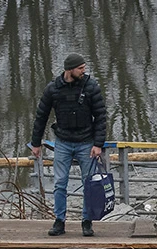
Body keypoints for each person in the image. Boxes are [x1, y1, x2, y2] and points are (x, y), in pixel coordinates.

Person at [31, 53, 107, 237]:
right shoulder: (53, 89)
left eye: (84, 68)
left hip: (86, 143)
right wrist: (36, 143)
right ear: (69, 69)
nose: (84, 71)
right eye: (80, 68)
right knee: (60, 183)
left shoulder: (91, 87)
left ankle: (87, 222)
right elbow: (41, 116)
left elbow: (101, 116)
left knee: (88, 184)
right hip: (63, 142)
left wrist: (98, 144)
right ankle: (59, 221)